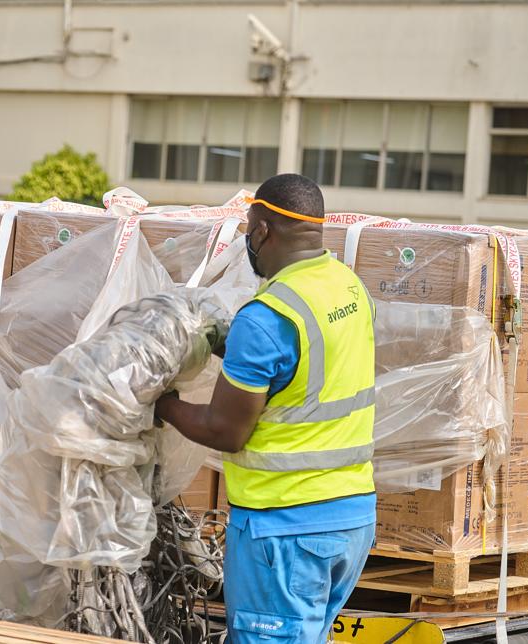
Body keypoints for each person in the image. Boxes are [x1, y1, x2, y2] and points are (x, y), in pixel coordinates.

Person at [155, 173, 376, 643]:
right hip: (351, 519)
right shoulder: (349, 287)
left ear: (262, 231)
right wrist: (229, 344)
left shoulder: (268, 316)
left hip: (285, 529)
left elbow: (224, 431)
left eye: (247, 231)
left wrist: (163, 405)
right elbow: (305, 361)